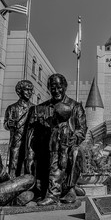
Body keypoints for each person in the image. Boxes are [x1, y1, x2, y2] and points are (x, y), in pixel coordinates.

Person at [26, 74, 87, 205]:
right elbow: (33, 132)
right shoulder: (41, 108)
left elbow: (82, 130)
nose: (57, 90)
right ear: (48, 88)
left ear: (65, 87)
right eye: (53, 87)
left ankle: (69, 188)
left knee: (76, 152)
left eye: (60, 87)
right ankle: (47, 190)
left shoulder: (75, 107)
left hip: (66, 146)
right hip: (46, 148)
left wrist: (72, 138)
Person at [4, 80, 34, 178]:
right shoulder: (12, 108)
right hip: (16, 141)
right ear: (19, 91)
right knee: (14, 165)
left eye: (31, 90)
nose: (29, 92)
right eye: (26, 90)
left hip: (30, 143)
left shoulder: (34, 108)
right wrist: (10, 123)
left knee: (29, 166)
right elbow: (5, 125)